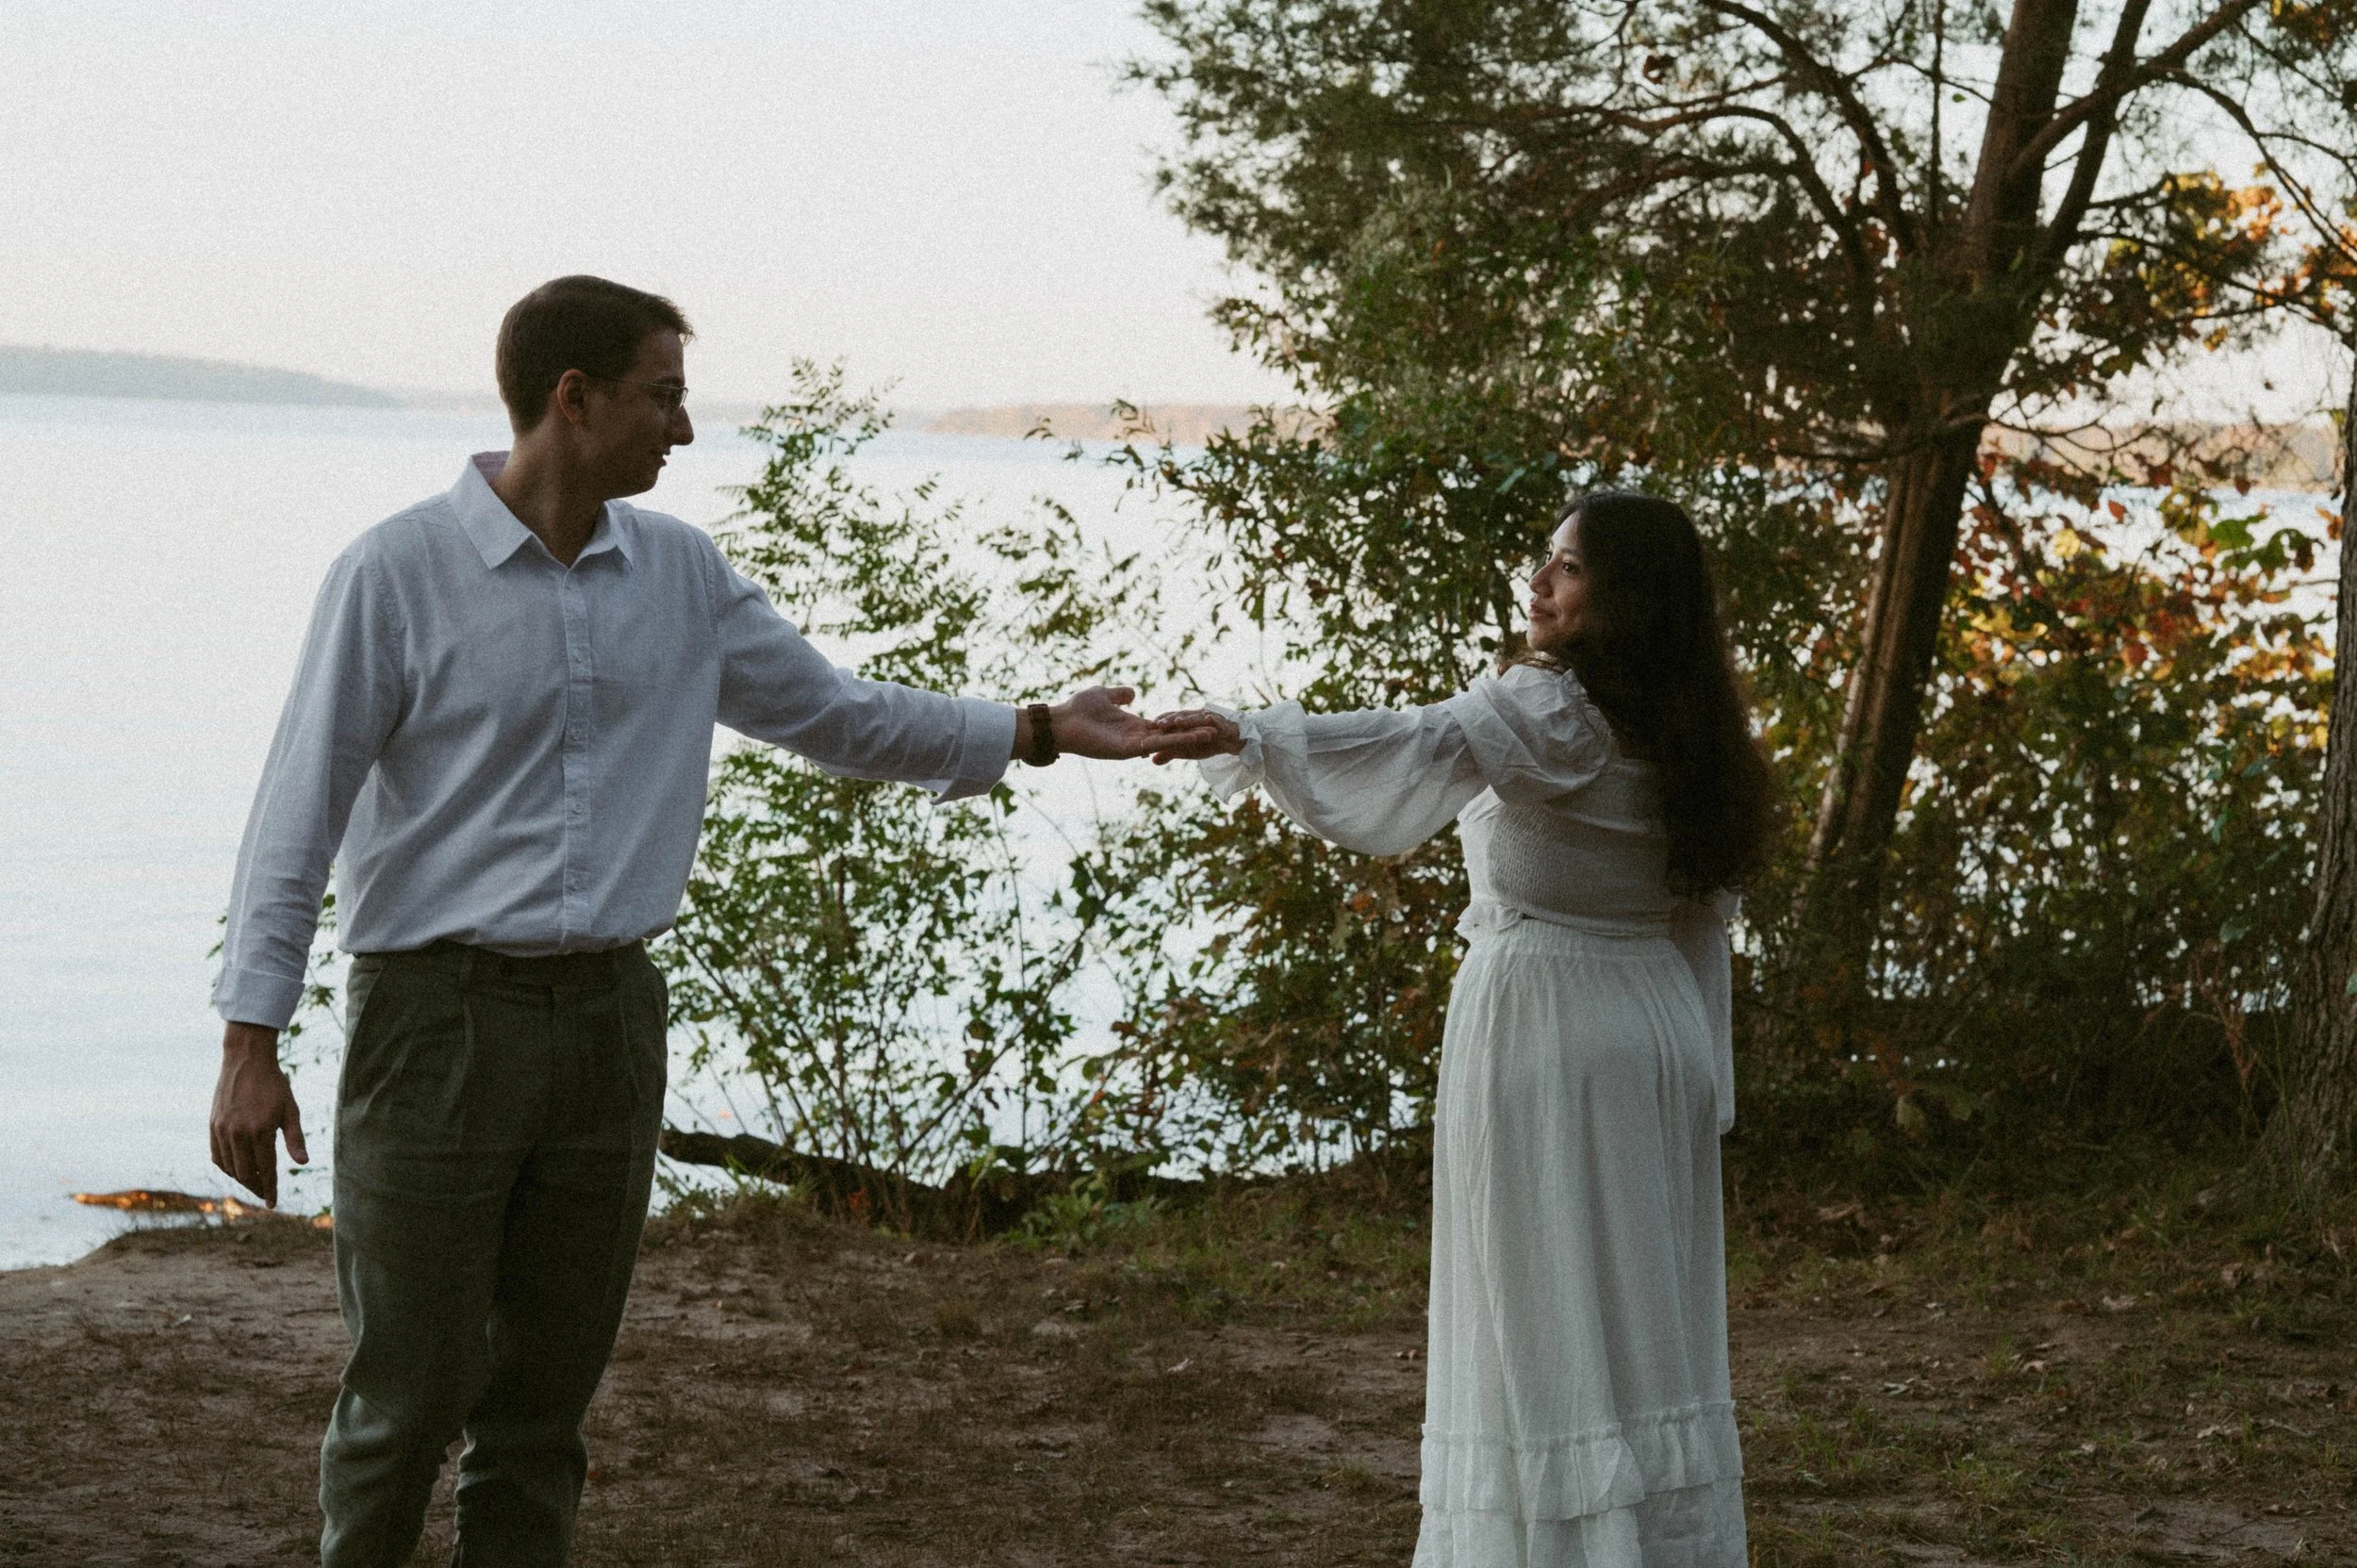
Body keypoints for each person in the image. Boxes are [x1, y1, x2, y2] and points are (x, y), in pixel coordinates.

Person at [206, 274, 1220, 1568]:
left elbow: (835, 712)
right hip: (436, 1026)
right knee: (406, 1396)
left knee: (540, 1415)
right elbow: (296, 810)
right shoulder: (395, 575)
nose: (682, 430)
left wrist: (1033, 729)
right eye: (663, 397)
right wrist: (252, 1037)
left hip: (609, 1026)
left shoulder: (678, 574)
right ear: (574, 400)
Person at [1151, 492, 1774, 1566]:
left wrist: (1250, 735)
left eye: (1567, 566)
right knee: (1638, 1322)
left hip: (1553, 1028)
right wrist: (1700, 1078)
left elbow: (1411, 744)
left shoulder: (1552, 710)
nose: (1538, 580)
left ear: (1621, 596)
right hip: (1648, 1026)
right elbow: (1698, 927)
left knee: (1540, 1321)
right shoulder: (1690, 728)